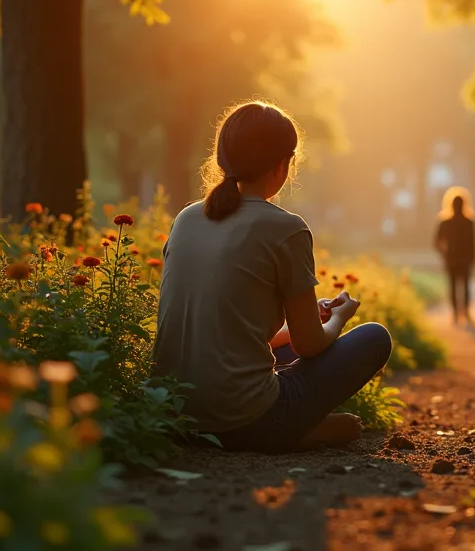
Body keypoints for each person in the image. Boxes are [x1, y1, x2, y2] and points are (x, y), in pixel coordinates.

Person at [153, 100, 392, 454]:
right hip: (246, 418)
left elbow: (226, 330)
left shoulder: (186, 219)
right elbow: (310, 345)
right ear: (283, 166)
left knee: (285, 349)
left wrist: (308, 320)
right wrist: (339, 316)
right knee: (374, 338)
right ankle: (291, 430)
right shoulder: (286, 228)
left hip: (172, 412)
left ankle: (286, 426)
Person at [434, 186, 475, 325]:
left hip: (451, 258)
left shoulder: (445, 222)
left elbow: (437, 241)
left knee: (453, 286)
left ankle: (455, 313)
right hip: (465, 259)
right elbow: (473, 242)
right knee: (465, 286)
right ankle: (466, 312)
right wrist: (473, 257)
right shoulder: (469, 222)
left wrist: (444, 253)